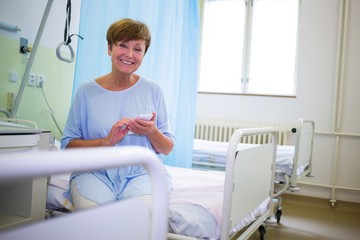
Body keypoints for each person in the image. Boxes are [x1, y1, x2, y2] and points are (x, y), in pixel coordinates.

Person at [60, 18, 175, 210]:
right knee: (97, 219)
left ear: (143, 54)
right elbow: (67, 145)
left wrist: (152, 132)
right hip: (93, 173)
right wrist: (106, 142)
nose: (129, 54)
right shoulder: (86, 93)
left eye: (137, 49)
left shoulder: (153, 90)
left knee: (138, 216)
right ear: (109, 48)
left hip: (143, 174)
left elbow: (167, 148)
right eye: (122, 45)